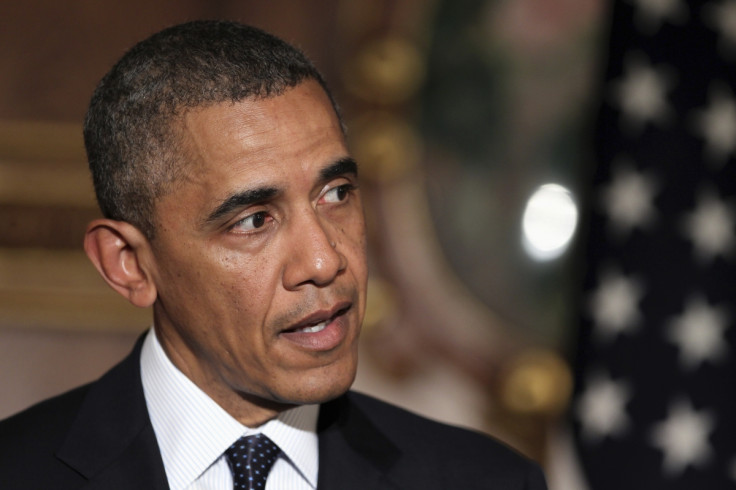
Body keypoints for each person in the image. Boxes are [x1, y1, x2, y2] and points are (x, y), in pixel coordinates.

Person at [0, 20, 547, 489]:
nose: (323, 261)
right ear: (129, 264)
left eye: (336, 194)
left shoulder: (486, 481)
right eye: (254, 220)